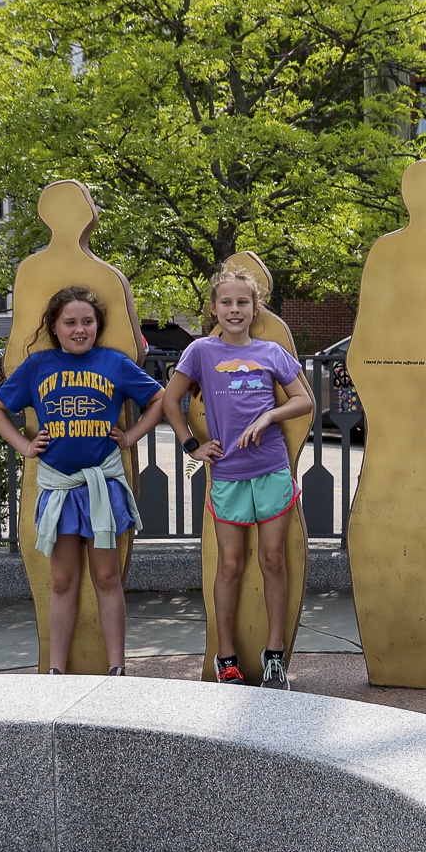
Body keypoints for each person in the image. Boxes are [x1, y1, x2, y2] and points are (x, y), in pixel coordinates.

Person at [0, 287, 165, 674]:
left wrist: (131, 437)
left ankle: (117, 666)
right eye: (71, 322)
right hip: (59, 488)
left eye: (88, 321)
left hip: (102, 486)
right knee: (63, 580)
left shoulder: (114, 363)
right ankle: (56, 670)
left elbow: (159, 399)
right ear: (55, 326)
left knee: (106, 575)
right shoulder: (38, 366)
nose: (80, 329)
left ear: (98, 325)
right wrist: (24, 444)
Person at [162, 268, 314, 689]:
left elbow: (305, 401)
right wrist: (190, 444)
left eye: (242, 302)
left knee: (272, 560)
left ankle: (275, 656)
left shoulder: (272, 353)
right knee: (229, 565)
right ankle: (225, 655)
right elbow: (170, 400)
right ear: (214, 308)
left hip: (271, 469)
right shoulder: (199, 352)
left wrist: (269, 414)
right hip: (227, 472)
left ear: (254, 307)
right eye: (226, 302)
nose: (234, 309)